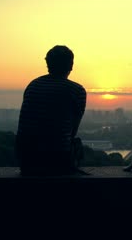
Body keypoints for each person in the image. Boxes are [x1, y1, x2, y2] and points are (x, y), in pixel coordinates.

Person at [15, 45, 87, 176]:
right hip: (57, 161)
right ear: (71, 65)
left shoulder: (33, 85)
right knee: (77, 144)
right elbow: (72, 131)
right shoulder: (76, 90)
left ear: (48, 64)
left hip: (26, 160)